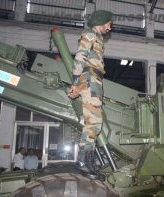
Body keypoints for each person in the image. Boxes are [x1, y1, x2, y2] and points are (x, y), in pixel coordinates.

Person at [67, 10, 112, 165]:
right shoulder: (90, 35)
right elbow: (80, 58)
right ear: (101, 22)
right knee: (93, 123)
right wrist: (75, 83)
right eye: (108, 24)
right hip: (91, 80)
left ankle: (85, 163)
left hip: (94, 81)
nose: (110, 28)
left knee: (94, 123)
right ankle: (84, 164)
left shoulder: (97, 38)